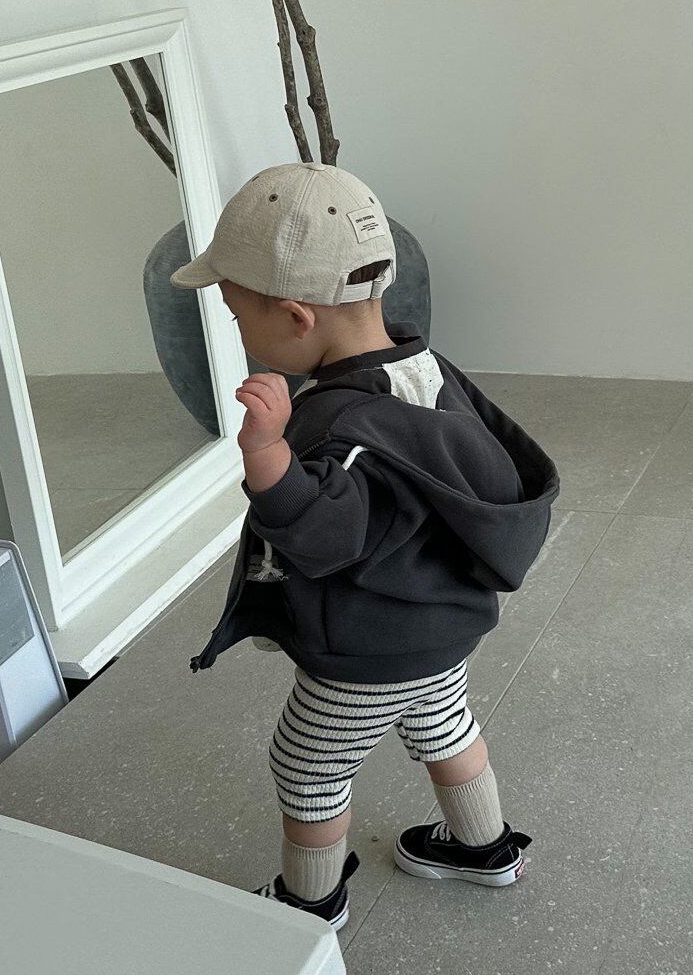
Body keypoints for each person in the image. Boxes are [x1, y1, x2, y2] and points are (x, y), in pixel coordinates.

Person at [171, 162, 559, 931]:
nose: (239, 332)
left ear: (296, 317)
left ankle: (309, 905)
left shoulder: (344, 427)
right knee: (444, 724)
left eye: (238, 315)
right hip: (442, 620)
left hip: (369, 646)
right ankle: (483, 848)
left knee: (306, 768)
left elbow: (323, 539)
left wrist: (267, 453)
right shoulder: (427, 372)